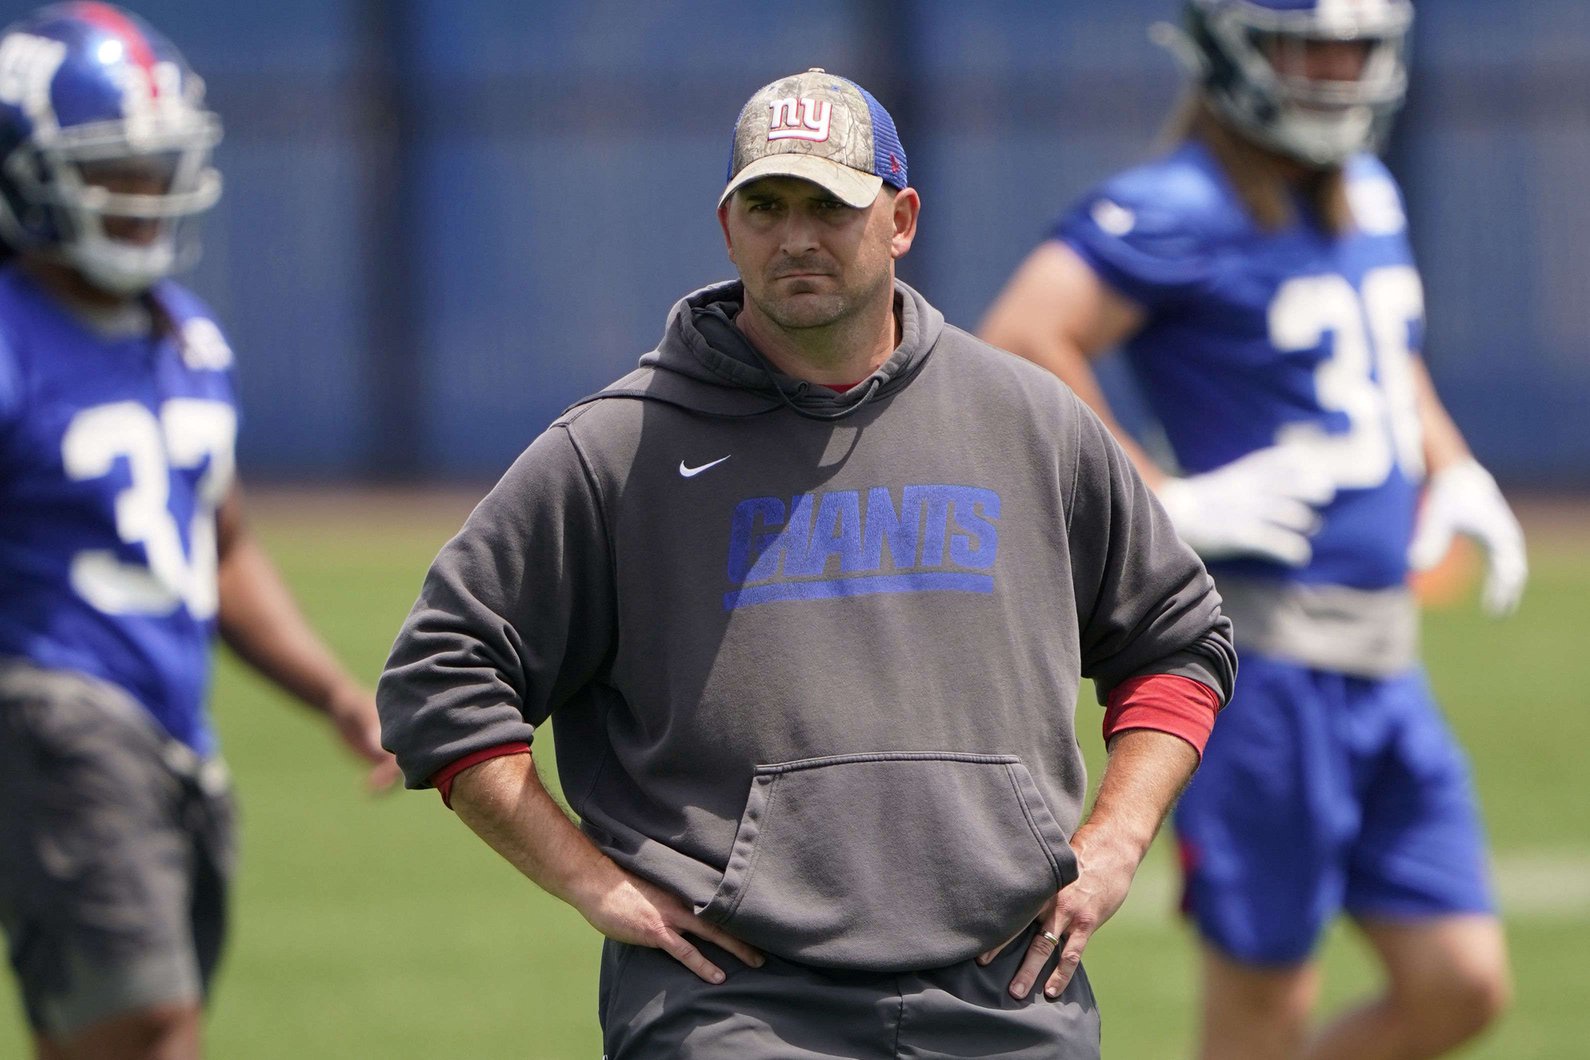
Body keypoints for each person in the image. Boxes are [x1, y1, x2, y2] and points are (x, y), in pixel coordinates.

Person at [377, 67, 1236, 1059]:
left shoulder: (1031, 421)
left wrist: (1117, 839)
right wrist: (591, 881)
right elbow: (441, 678)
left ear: (900, 220)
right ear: (728, 226)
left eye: (830, 206)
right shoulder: (617, 449)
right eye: (768, 206)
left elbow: (1178, 639)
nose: (796, 237)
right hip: (734, 1002)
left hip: (1008, 992)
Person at [980, 2, 1524, 1057]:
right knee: (1267, 996)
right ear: (1236, 50)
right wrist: (1159, 497)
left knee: (1461, 981)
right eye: (1311, 48)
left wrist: (1453, 465)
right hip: (1266, 663)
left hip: (1384, 662)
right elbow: (1020, 336)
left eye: (1356, 52)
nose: (1337, 74)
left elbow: (1382, 360)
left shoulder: (1363, 189)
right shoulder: (1176, 204)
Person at [0, 5, 398, 1059]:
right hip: (54, 719)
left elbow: (220, 547)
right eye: (111, 169)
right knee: (147, 1030)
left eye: (153, 165)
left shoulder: (186, 335)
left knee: (123, 1032)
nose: (142, 192)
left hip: (171, 734)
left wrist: (333, 691)